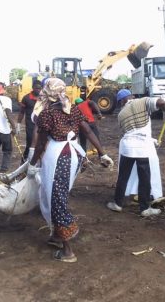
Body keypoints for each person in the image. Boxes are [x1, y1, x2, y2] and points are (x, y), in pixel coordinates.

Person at [27, 78, 113, 263]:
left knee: (56, 199)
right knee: (58, 194)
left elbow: (41, 142)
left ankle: (67, 251)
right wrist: (102, 154)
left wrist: (32, 164)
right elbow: (88, 132)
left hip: (57, 156)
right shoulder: (72, 108)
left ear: (47, 92)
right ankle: (57, 236)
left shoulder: (46, 114)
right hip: (73, 155)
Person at [106, 89, 165, 217]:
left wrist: (151, 140)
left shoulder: (120, 115)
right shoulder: (143, 101)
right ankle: (144, 208)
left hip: (128, 146)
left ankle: (117, 204)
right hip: (142, 148)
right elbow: (161, 102)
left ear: (121, 102)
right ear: (131, 96)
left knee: (123, 176)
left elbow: (132, 132)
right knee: (144, 178)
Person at [16, 80, 42, 162]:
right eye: (36, 88)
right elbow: (21, 112)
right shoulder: (26, 98)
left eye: (40, 88)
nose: (38, 90)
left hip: (42, 124)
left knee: (41, 143)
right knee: (30, 143)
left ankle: (37, 161)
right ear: (33, 88)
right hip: (30, 125)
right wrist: (18, 124)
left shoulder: (43, 98)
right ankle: (24, 160)